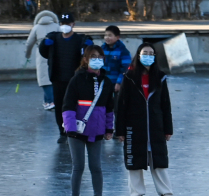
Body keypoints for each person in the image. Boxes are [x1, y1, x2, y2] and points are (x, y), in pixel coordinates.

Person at [114, 43, 177, 196]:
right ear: (138, 55)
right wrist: (119, 130)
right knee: (134, 166)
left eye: (151, 53)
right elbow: (121, 106)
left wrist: (168, 128)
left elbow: (166, 105)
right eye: (145, 53)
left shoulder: (160, 78)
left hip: (156, 128)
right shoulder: (129, 77)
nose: (148, 56)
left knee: (160, 166)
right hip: (134, 129)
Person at [62, 45, 116, 196]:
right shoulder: (76, 80)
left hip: (97, 130)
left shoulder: (106, 82)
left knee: (96, 167)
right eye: (93, 56)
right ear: (85, 59)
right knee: (78, 166)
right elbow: (68, 105)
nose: (97, 59)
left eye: (100, 57)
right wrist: (70, 129)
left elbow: (109, 109)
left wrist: (109, 128)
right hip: (77, 130)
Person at [39, 12, 93, 142]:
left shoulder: (79, 40)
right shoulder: (54, 38)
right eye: (63, 24)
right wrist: (44, 44)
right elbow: (44, 53)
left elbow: (89, 54)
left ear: (73, 24)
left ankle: (76, 129)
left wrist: (89, 45)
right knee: (60, 106)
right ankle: (63, 131)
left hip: (75, 80)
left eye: (68, 24)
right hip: (58, 79)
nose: (65, 26)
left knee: (75, 105)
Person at [25, 10, 60, 111]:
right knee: (53, 78)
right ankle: (47, 101)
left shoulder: (36, 27)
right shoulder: (57, 27)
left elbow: (29, 43)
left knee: (44, 79)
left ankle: (50, 101)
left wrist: (27, 55)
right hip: (55, 54)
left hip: (41, 55)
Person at [100, 25, 132, 93]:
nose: (107, 38)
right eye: (105, 35)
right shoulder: (102, 49)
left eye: (110, 35)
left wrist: (119, 83)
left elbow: (125, 69)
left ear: (117, 37)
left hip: (115, 84)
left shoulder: (123, 51)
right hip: (103, 82)